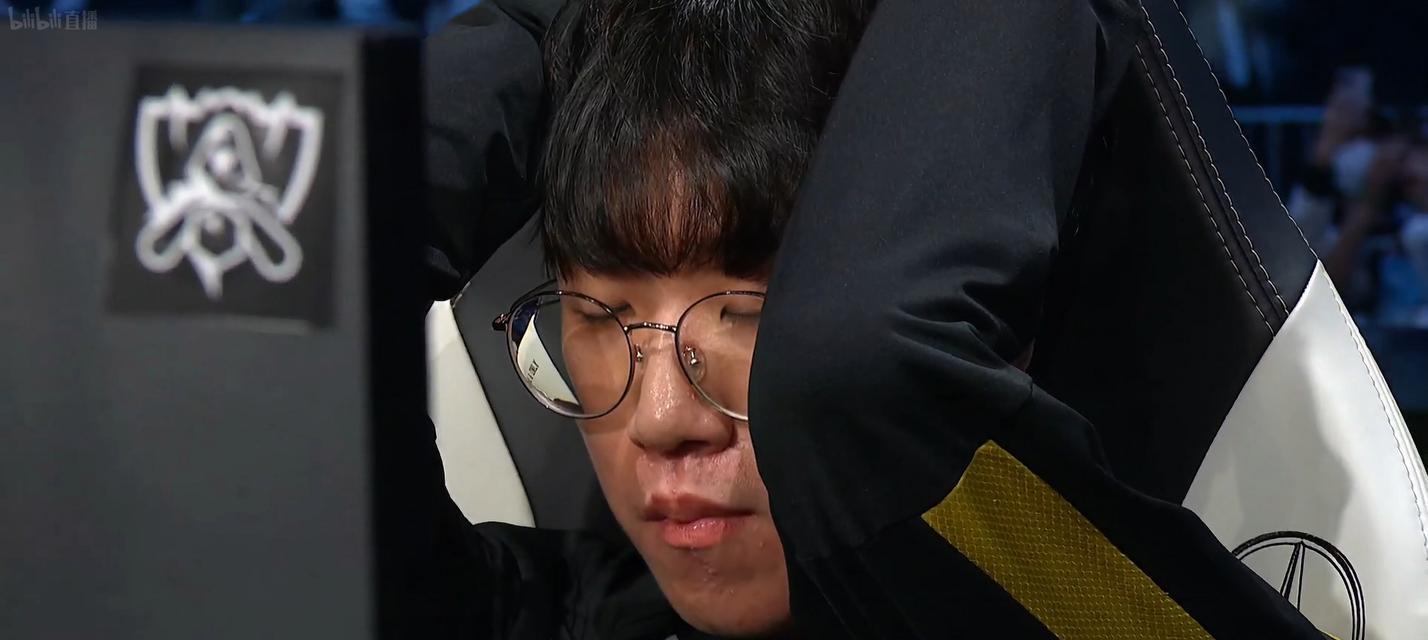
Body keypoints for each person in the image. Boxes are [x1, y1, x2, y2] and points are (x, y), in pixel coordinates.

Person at [423, 0, 1328, 637]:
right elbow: (338, 283)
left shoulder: (1088, 606)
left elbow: (861, 374)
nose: (661, 420)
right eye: (603, 314)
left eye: (747, 313)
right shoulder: (562, 615)